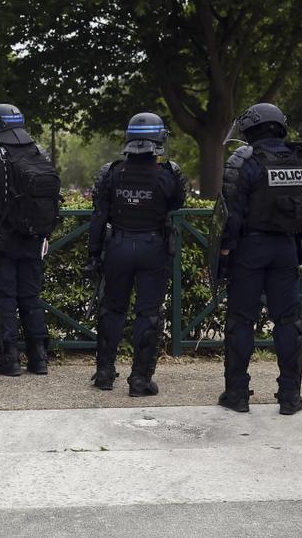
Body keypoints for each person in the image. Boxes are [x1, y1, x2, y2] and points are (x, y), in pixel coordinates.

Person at [215, 103, 302, 415]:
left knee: (241, 320)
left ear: (252, 128)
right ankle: (289, 397)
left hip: (250, 249)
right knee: (288, 321)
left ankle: (237, 394)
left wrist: (224, 253)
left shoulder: (245, 160)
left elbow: (231, 215)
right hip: (286, 248)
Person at [85, 113, 186, 395]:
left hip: (118, 245)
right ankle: (140, 379)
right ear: (159, 140)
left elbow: (98, 216)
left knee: (112, 308)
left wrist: (93, 254)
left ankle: (104, 373)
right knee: (149, 313)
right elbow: (177, 202)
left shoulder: (112, 172)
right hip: (153, 247)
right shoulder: (168, 175)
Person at [0, 104, 62, 377]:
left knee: (5, 298)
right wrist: (44, 234)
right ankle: (39, 358)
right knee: (31, 297)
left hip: (0, 239)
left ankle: (10, 359)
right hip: (33, 237)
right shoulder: (38, 152)